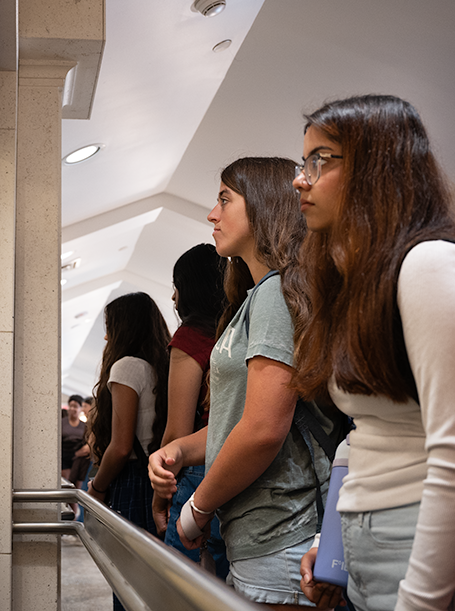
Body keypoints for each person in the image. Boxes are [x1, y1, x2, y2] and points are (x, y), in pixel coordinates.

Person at [291, 95, 455, 611]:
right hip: (375, 544)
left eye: (321, 160)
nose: (301, 179)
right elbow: (368, 436)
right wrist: (329, 544)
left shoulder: (432, 266)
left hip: (443, 544)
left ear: (376, 169)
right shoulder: (367, 279)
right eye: (303, 162)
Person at [149, 157, 334, 610]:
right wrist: (179, 451)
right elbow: (238, 420)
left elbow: (264, 429)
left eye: (224, 199)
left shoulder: (275, 292)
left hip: (280, 535)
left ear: (264, 207)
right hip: (259, 537)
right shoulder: (256, 297)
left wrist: (197, 509)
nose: (212, 214)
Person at [151, 243, 230, 578]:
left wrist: (159, 499)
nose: (173, 298)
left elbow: (177, 430)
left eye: (176, 287)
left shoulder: (190, 337)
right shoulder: (235, 328)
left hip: (197, 470)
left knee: (181, 585)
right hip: (236, 465)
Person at [87, 292, 169, 611]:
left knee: (128, 586)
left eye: (109, 326)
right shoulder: (160, 365)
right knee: (153, 586)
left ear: (124, 327)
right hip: (160, 478)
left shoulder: (125, 367)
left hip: (132, 484)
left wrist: (96, 487)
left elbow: (120, 448)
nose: (106, 335)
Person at [62, 394, 89, 486]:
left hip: (79, 459)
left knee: (77, 487)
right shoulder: (62, 423)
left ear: (80, 408)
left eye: (76, 406)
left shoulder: (84, 426)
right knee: (66, 484)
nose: (73, 409)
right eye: (71, 406)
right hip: (64, 457)